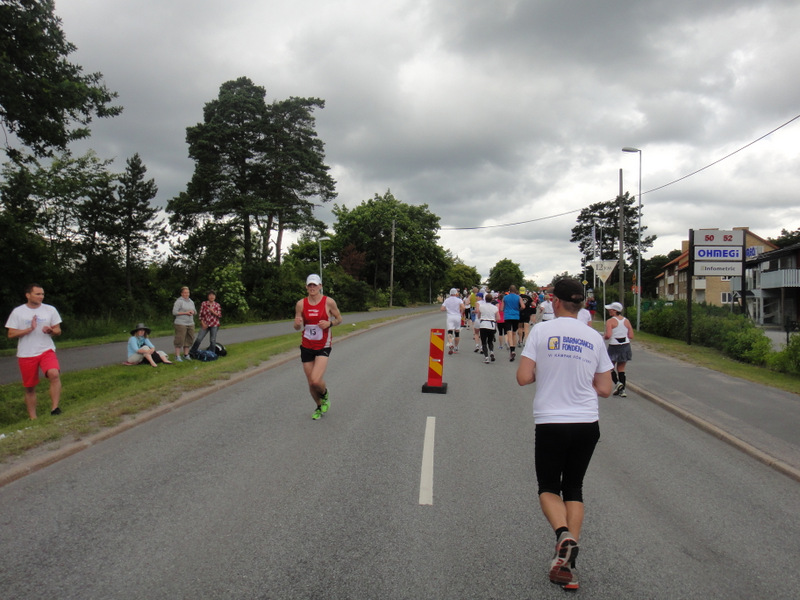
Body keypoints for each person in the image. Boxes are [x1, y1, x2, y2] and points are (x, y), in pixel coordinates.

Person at [516, 278, 614, 592]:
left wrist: (546, 372)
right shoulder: (594, 337)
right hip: (587, 423)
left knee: (548, 487)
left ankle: (563, 536)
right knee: (574, 487)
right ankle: (567, 567)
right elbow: (606, 389)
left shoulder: (541, 331)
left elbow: (523, 377)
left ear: (554, 302)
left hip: (551, 422)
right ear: (582, 303)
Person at [5, 284, 63, 419]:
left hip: (46, 349)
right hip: (26, 354)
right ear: (28, 295)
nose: (41, 297)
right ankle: (33, 418)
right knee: (30, 387)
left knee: (54, 373)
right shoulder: (18, 312)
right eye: (37, 294)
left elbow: (58, 330)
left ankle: (55, 408)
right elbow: (11, 334)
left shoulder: (50, 310)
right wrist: (29, 329)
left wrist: (51, 330)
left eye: (42, 294)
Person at [294, 274, 343, 420]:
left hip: (323, 344)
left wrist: (330, 323)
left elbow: (339, 319)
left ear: (320, 286)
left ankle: (325, 394)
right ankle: (319, 406)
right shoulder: (301, 304)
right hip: (307, 344)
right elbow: (297, 326)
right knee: (310, 382)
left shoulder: (329, 302)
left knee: (316, 380)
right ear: (306, 287)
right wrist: (297, 323)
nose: (312, 288)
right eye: (310, 285)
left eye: (315, 285)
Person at [603, 302, 634, 397]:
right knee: (621, 368)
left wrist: (604, 337)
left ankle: (617, 383)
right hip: (625, 346)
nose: (609, 311)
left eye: (610, 310)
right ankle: (622, 390)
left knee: (610, 367)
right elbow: (631, 335)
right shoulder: (626, 321)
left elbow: (608, 335)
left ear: (615, 311)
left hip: (614, 346)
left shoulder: (610, 321)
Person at [190, 290, 222, 355]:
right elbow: (200, 315)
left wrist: (213, 311)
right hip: (205, 323)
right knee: (199, 338)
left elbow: (219, 315)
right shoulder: (204, 304)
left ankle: (212, 354)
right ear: (208, 296)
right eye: (210, 295)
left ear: (215, 297)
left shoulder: (217, 305)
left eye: (213, 295)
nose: (211, 297)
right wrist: (202, 323)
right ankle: (192, 352)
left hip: (214, 324)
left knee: (212, 340)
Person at [172, 286, 196, 362]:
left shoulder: (191, 301)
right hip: (181, 323)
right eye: (185, 292)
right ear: (182, 293)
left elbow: (195, 311)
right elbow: (174, 312)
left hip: (190, 323)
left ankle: (186, 354)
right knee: (180, 339)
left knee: (189, 338)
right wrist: (185, 312)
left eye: (188, 292)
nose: (186, 294)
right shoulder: (179, 301)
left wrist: (193, 312)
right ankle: (177, 356)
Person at [440, 288, 465, 354]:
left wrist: (447, 309)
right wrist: (461, 313)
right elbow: (463, 307)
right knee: (457, 332)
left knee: (450, 331)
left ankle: (451, 343)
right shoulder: (459, 300)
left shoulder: (447, 300)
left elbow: (442, 309)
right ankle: (456, 347)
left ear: (450, 293)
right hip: (457, 316)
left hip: (450, 316)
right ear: (456, 293)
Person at [476, 292, 499, 363]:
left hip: (483, 325)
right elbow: (498, 318)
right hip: (491, 325)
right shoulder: (495, 307)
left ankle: (486, 357)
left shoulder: (481, 307)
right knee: (490, 341)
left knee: (484, 342)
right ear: (492, 299)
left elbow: (479, 316)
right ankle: (491, 352)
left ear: (485, 299)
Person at [503, 285, 522, 361]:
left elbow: (501, 308)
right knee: (514, 332)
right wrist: (518, 309)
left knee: (509, 333)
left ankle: (511, 349)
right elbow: (523, 306)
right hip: (516, 316)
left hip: (508, 315)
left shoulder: (505, 297)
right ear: (516, 290)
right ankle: (514, 348)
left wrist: (505, 309)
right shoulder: (518, 297)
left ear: (509, 290)